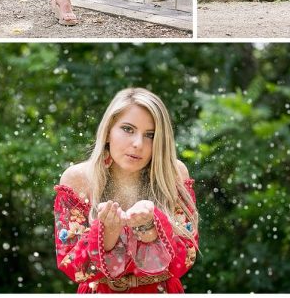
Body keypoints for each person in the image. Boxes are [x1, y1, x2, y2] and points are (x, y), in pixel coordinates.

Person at [54, 88, 199, 292]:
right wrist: (108, 234)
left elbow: (185, 260)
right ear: (108, 131)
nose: (138, 144)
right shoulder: (79, 179)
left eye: (150, 135)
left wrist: (149, 228)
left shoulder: (173, 174)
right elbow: (74, 268)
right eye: (128, 129)